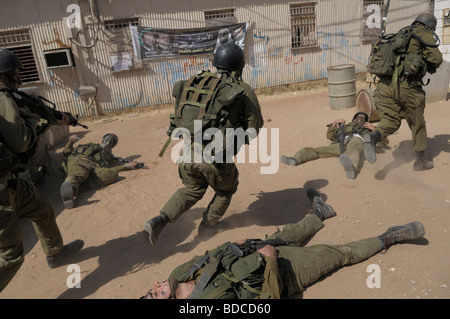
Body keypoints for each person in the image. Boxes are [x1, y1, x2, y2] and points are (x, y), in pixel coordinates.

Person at [141, 188, 425, 299]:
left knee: (288, 233)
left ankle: (318, 213)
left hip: (252, 252)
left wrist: (235, 245)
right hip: (283, 274)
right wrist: (272, 262)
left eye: (151, 290)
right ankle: (389, 236)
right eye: (156, 295)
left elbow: (209, 254)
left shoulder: (178, 275)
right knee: (339, 254)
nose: (156, 286)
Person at [144, 43, 263, 247]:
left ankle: (160, 219)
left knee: (191, 189)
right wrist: (235, 141)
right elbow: (254, 126)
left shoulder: (199, 84)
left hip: (187, 154)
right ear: (239, 67)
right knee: (226, 189)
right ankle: (207, 227)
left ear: (216, 64)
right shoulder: (243, 90)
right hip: (214, 157)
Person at [0, 48, 84, 292]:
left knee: (42, 208)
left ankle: (55, 253)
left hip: (10, 181)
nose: (19, 79)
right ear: (5, 74)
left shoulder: (9, 98)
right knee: (11, 256)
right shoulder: (3, 97)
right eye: (16, 73)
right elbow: (21, 141)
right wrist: (32, 120)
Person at [364, 13, 443, 171]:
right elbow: (436, 59)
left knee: (391, 121)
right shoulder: (423, 34)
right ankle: (420, 161)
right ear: (429, 26)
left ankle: (374, 137)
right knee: (417, 123)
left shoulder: (400, 34)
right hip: (407, 86)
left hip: (383, 87)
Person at [281, 112, 376, 179]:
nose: (361, 118)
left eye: (363, 117)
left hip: (356, 141)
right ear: (354, 119)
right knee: (318, 150)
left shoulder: (368, 129)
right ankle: (295, 159)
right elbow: (330, 136)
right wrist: (334, 124)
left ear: (366, 121)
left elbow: (382, 139)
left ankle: (351, 168)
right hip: (342, 143)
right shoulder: (346, 127)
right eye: (359, 116)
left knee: (354, 152)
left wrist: (374, 129)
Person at [60, 133, 139, 209]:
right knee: (79, 173)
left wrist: (127, 166)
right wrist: (70, 142)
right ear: (103, 139)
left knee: (112, 174)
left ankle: (77, 188)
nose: (108, 142)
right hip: (79, 160)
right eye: (107, 139)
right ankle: (71, 187)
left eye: (112, 142)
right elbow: (66, 153)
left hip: (93, 168)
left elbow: (110, 169)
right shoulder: (90, 146)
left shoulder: (109, 158)